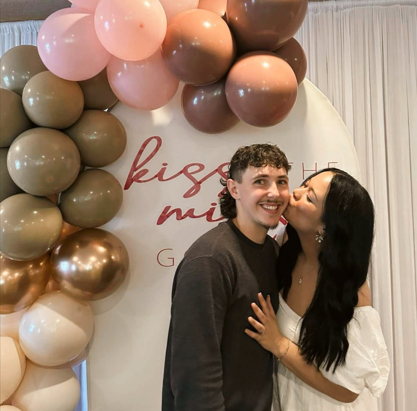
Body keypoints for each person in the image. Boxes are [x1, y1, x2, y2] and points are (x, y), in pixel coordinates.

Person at [245, 168, 390, 410]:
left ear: (327, 227)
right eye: (304, 185)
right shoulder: (284, 247)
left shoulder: (350, 288)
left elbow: (349, 391)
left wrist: (279, 345)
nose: (295, 193)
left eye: (309, 197)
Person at [162, 143, 291, 411]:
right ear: (234, 189)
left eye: (281, 182)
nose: (274, 193)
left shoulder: (272, 251)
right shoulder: (210, 260)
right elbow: (194, 372)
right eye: (260, 182)